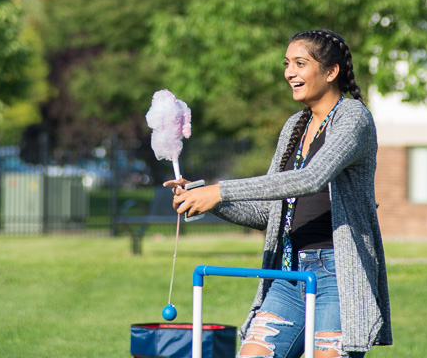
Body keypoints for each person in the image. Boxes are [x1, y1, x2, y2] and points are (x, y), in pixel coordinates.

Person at [164, 29, 392, 358]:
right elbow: (267, 214)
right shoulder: (294, 127)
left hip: (336, 276)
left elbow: (312, 178)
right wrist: (203, 197)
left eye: (300, 63)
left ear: (331, 72)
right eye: (287, 64)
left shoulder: (353, 118)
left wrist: (220, 191)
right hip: (285, 273)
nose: (289, 72)